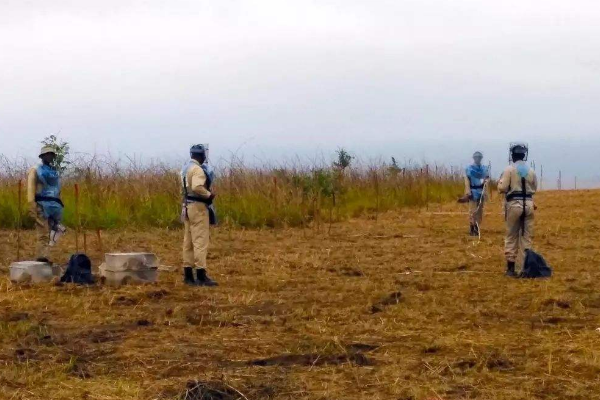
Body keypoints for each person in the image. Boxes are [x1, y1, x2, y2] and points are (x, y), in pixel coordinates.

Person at [497, 143, 538, 277]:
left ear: (513, 155)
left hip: (514, 204)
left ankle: (511, 269)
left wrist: (499, 184)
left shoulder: (509, 169)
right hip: (529, 204)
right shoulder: (531, 170)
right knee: (526, 237)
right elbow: (534, 188)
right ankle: (525, 268)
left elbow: (502, 188)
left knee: (511, 236)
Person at [181, 144, 218, 287]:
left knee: (188, 242)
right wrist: (209, 195)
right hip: (198, 207)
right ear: (201, 155)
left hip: (187, 206)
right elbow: (197, 187)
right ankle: (201, 275)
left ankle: (188, 275)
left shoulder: (185, 169)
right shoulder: (197, 169)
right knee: (200, 241)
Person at [27, 145, 66, 263]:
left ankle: (45, 255)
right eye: (47, 154)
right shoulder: (35, 170)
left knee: (55, 232)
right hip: (41, 205)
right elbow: (30, 188)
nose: (50, 156)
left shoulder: (54, 171)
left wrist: (60, 203)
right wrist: (32, 205)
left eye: (52, 154)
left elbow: (57, 189)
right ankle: (42, 258)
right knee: (43, 233)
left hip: (54, 206)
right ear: (42, 156)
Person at [463, 151, 489, 236]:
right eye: (476, 157)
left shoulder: (484, 169)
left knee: (479, 211)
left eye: (479, 157)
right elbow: (467, 181)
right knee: (472, 211)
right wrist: (468, 192)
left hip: (481, 191)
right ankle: (472, 227)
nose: (478, 159)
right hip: (473, 191)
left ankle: (477, 227)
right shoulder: (469, 169)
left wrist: (485, 190)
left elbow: (487, 179)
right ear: (474, 158)